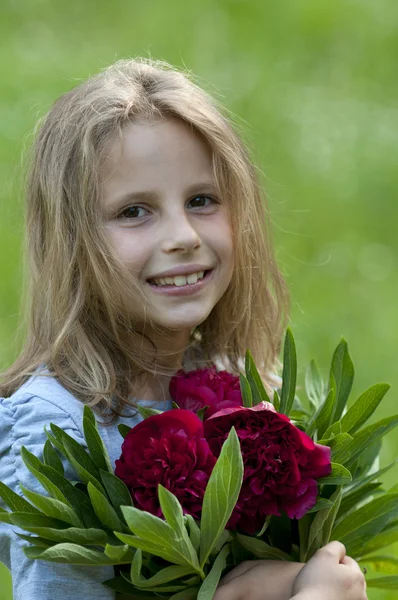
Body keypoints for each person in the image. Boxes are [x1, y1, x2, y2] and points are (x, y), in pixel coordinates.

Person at [0, 58, 367, 600]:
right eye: (134, 211)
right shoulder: (58, 430)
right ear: (73, 244)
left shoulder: (232, 383)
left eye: (201, 201)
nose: (183, 236)